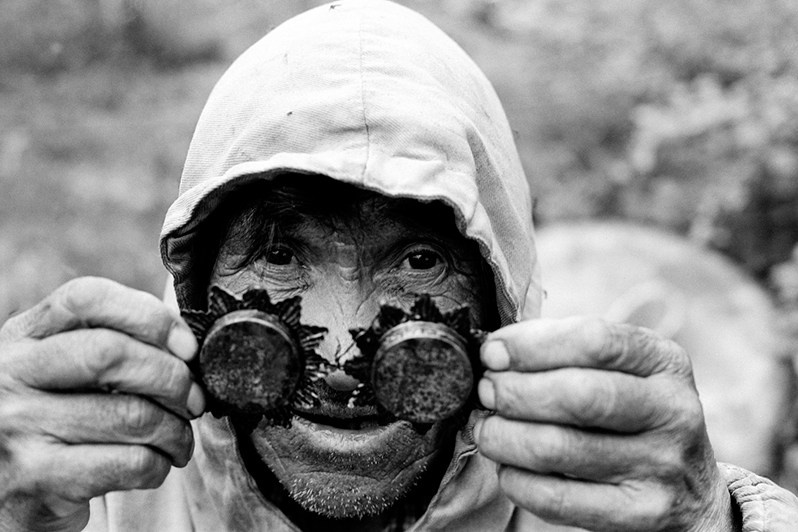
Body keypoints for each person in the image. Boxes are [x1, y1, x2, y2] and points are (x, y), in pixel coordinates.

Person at [1, 1, 797, 530]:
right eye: (279, 255)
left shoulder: (616, 504)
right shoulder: (82, 495)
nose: (342, 368)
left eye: (417, 261)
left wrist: (714, 519)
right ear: (194, 295)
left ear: (500, 299)